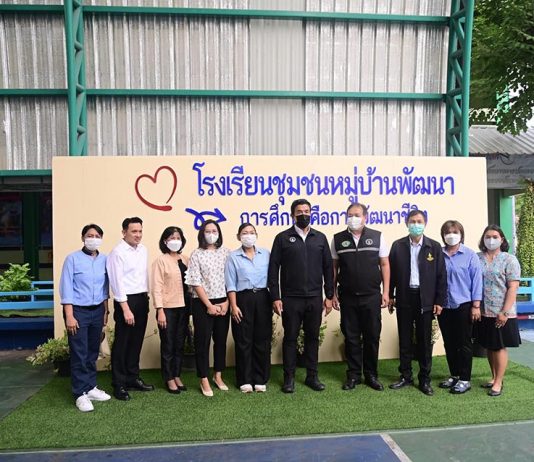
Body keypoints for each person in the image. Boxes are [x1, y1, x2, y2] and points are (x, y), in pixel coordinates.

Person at [268, 198, 334, 393]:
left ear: (311, 213)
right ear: (292, 215)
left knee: (312, 338)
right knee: (290, 338)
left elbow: (328, 268)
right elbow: (273, 269)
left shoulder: (320, 238)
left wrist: (329, 295)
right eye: (299, 212)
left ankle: (312, 376)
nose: (303, 215)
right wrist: (275, 297)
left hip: (314, 297)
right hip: (291, 298)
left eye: (306, 211)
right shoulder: (282, 238)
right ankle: (289, 379)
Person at [331, 203, 390, 391]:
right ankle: (354, 375)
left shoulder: (377, 236)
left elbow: (385, 264)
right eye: (349, 215)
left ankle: (371, 375)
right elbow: (333, 268)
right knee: (351, 337)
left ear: (365, 217)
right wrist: (332, 294)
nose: (353, 218)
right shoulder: (338, 239)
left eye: (357, 215)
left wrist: (386, 292)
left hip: (371, 296)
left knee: (372, 336)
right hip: (347, 297)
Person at [388, 209, 446, 396]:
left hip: (425, 299)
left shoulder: (434, 247)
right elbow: (391, 274)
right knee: (404, 339)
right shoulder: (398, 246)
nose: (415, 224)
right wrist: (390, 295)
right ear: (407, 223)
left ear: (425, 223)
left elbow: (441, 276)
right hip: (404, 297)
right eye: (412, 221)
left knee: (424, 341)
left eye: (419, 221)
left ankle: (424, 379)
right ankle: (405, 376)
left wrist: (439, 300)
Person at [59, 224, 111, 412]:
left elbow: (105, 289)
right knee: (79, 352)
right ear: (83, 238)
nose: (93, 239)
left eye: (97, 236)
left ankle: (90, 387)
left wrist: (105, 313)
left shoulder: (104, 260)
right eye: (90, 235)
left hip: (97, 311)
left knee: (92, 352)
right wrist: (69, 316)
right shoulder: (72, 259)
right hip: (78, 311)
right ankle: (79, 393)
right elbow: (66, 288)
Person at [107, 217, 154, 401]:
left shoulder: (143, 249)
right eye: (134, 231)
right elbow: (116, 282)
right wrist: (125, 308)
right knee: (123, 342)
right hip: (126, 301)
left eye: (140, 231)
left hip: (142, 298)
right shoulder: (117, 252)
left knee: (136, 341)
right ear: (124, 232)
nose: (138, 235)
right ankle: (118, 383)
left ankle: (132, 378)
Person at [185, 219, 231, 397]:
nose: (211, 234)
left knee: (220, 340)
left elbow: (231, 278)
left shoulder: (226, 252)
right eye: (208, 231)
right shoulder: (196, 254)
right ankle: (203, 377)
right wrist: (209, 305)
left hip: (223, 301)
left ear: (219, 233)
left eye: (214, 231)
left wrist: (227, 302)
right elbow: (195, 281)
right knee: (202, 342)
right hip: (202, 302)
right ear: (202, 234)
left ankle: (218, 375)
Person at [225, 223, 272, 393]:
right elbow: (230, 283)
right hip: (242, 299)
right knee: (243, 340)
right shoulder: (233, 257)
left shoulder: (265, 254)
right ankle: (244, 379)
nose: (248, 235)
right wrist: (234, 305)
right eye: (245, 233)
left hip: (263, 297)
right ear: (239, 236)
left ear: (256, 235)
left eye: (252, 232)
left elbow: (273, 278)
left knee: (262, 339)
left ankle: (260, 378)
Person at [438, 220, 483, 394]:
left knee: (464, 343)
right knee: (449, 342)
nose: (451, 235)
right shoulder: (438, 254)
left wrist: (476, 305)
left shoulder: (470, 255)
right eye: (447, 232)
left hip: (464, 305)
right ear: (443, 235)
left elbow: (477, 281)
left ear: (461, 234)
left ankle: (465, 379)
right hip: (444, 306)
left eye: (455, 232)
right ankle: (454, 374)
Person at [477, 224, 521, 397]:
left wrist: (504, 311)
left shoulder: (509, 260)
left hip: (502, 311)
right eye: (488, 237)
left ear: (502, 239)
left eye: (495, 237)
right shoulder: (477, 258)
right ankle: (494, 377)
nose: (491, 240)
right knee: (490, 345)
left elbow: (513, 287)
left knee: (499, 346)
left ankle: (498, 382)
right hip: (483, 310)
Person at [151, 226, 190, 394]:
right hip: (167, 308)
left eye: (178, 238)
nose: (175, 241)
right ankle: (168, 378)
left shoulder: (186, 259)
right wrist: (160, 310)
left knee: (180, 343)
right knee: (168, 344)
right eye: (172, 238)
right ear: (165, 241)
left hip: (184, 307)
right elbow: (156, 287)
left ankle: (176, 374)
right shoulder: (161, 261)